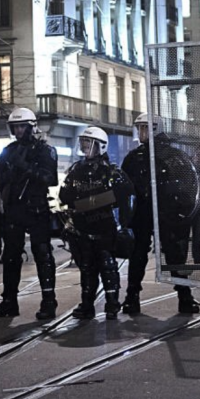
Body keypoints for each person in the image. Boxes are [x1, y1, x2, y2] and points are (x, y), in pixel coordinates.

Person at [121, 115, 200, 315]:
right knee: (138, 255)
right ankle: (132, 297)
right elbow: (124, 187)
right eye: (139, 128)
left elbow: (187, 185)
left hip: (165, 215)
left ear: (155, 129)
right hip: (143, 215)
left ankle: (184, 296)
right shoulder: (136, 157)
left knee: (174, 256)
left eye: (144, 128)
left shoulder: (172, 156)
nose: (140, 133)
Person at [0, 107, 58, 319]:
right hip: (14, 210)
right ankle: (9, 300)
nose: (18, 131)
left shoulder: (43, 150)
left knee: (43, 254)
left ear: (31, 127)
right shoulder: (8, 150)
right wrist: (7, 173)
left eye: (22, 126)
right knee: (10, 256)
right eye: (15, 127)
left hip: (37, 208)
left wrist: (26, 168)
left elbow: (51, 179)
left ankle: (48, 301)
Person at [59, 126, 133, 320]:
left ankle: (112, 303)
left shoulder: (110, 171)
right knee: (87, 268)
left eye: (89, 143)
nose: (85, 147)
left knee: (107, 265)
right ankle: (87, 304)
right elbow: (64, 194)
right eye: (83, 143)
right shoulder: (76, 170)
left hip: (104, 226)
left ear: (101, 146)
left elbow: (124, 194)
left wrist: (88, 203)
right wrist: (92, 202)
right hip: (82, 227)